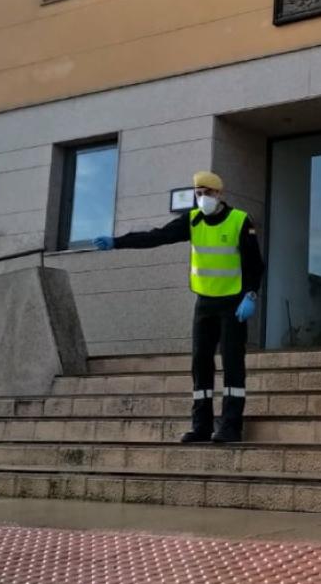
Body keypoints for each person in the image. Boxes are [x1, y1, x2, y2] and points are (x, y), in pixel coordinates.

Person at [92, 171, 264, 444]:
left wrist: (251, 295)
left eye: (208, 193)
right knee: (200, 363)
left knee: (232, 363)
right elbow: (157, 236)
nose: (202, 198)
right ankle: (202, 426)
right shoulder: (193, 220)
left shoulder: (239, 220)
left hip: (233, 303)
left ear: (219, 194)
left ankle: (231, 426)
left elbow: (256, 264)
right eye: (198, 193)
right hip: (205, 303)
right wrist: (118, 242)